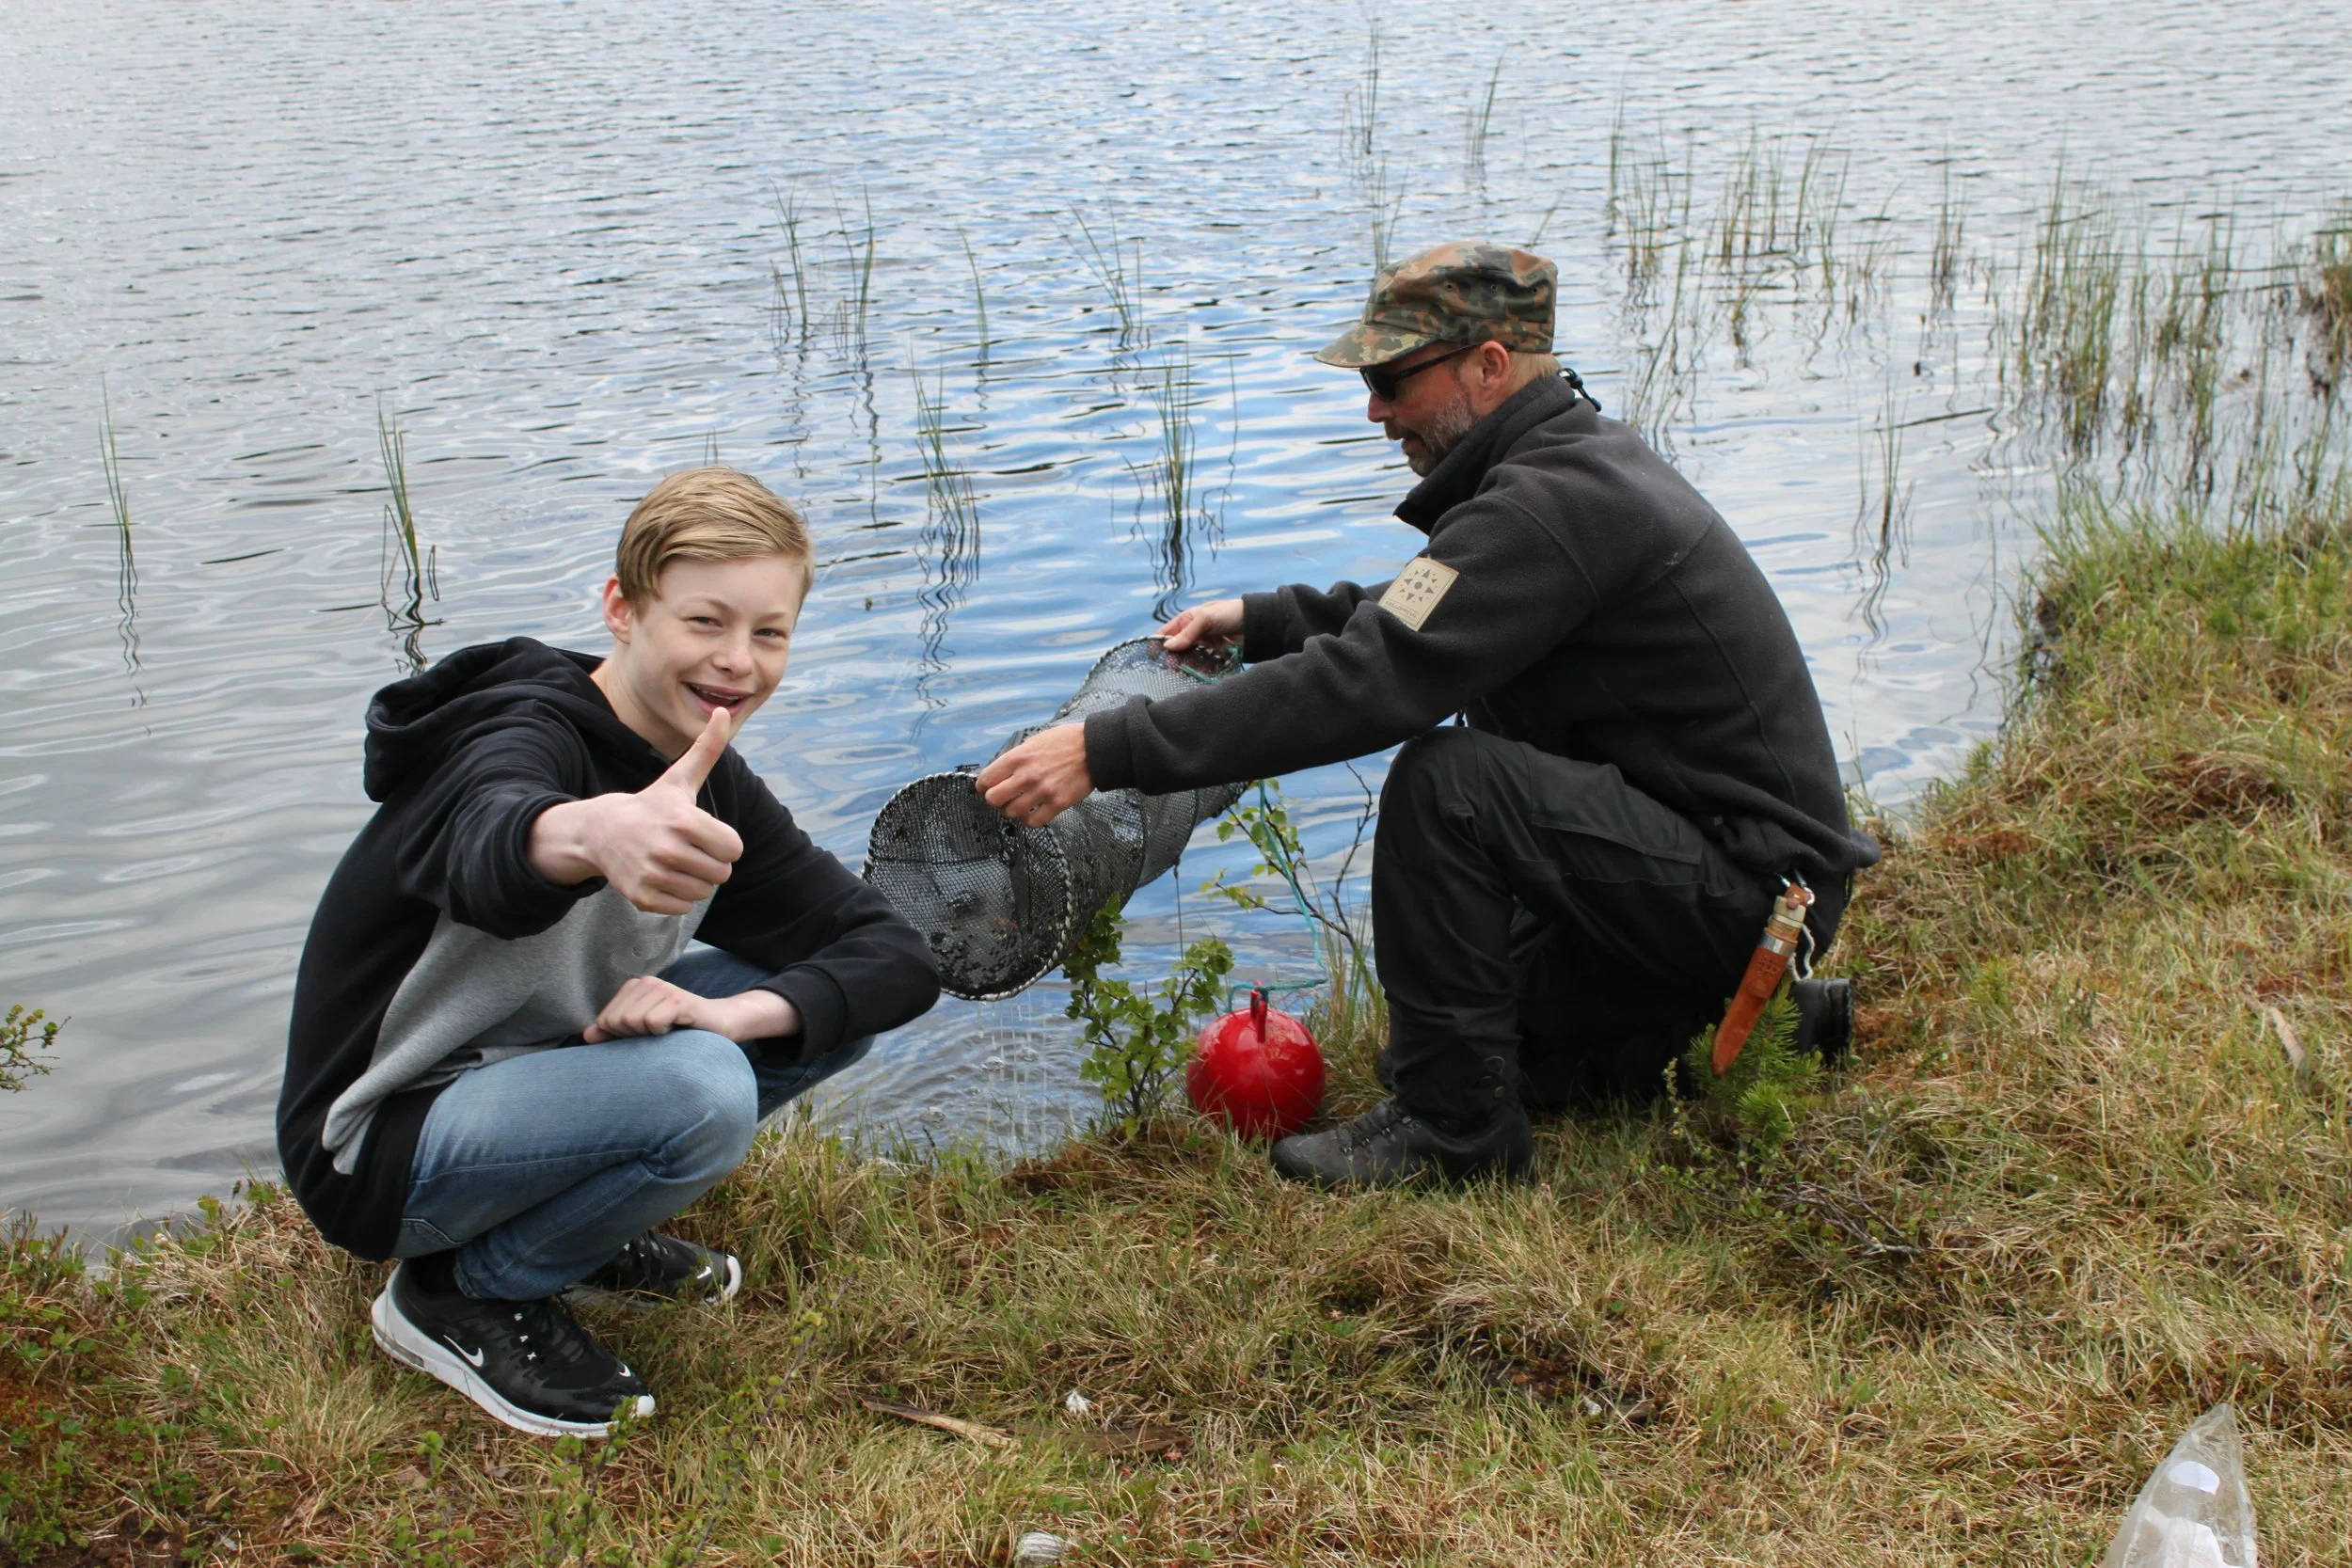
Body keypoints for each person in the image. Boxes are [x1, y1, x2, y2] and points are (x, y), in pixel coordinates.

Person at [977, 243, 1879, 1190]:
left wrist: (1104, 747)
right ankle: (1770, 1018)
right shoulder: (1556, 470)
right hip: (1716, 878)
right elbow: (1433, 600)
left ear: (1489, 365)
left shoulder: (1551, 501)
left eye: (1391, 380)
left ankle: (1459, 1140)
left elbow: (1368, 681)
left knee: (1450, 784)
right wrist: (1270, 619)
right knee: (1467, 1042)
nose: (1374, 410)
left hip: (1757, 895)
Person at [276, 467, 940, 1437]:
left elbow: (891, 952)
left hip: (525, 1078)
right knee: (701, 1088)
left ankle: (566, 1232)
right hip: (379, 1142)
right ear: (622, 609)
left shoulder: (710, 777)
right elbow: (490, 842)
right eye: (704, 621)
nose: (737, 662)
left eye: (769, 632)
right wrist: (590, 834)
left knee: (813, 1007)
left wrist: (722, 1012)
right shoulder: (512, 733)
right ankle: (465, 1289)